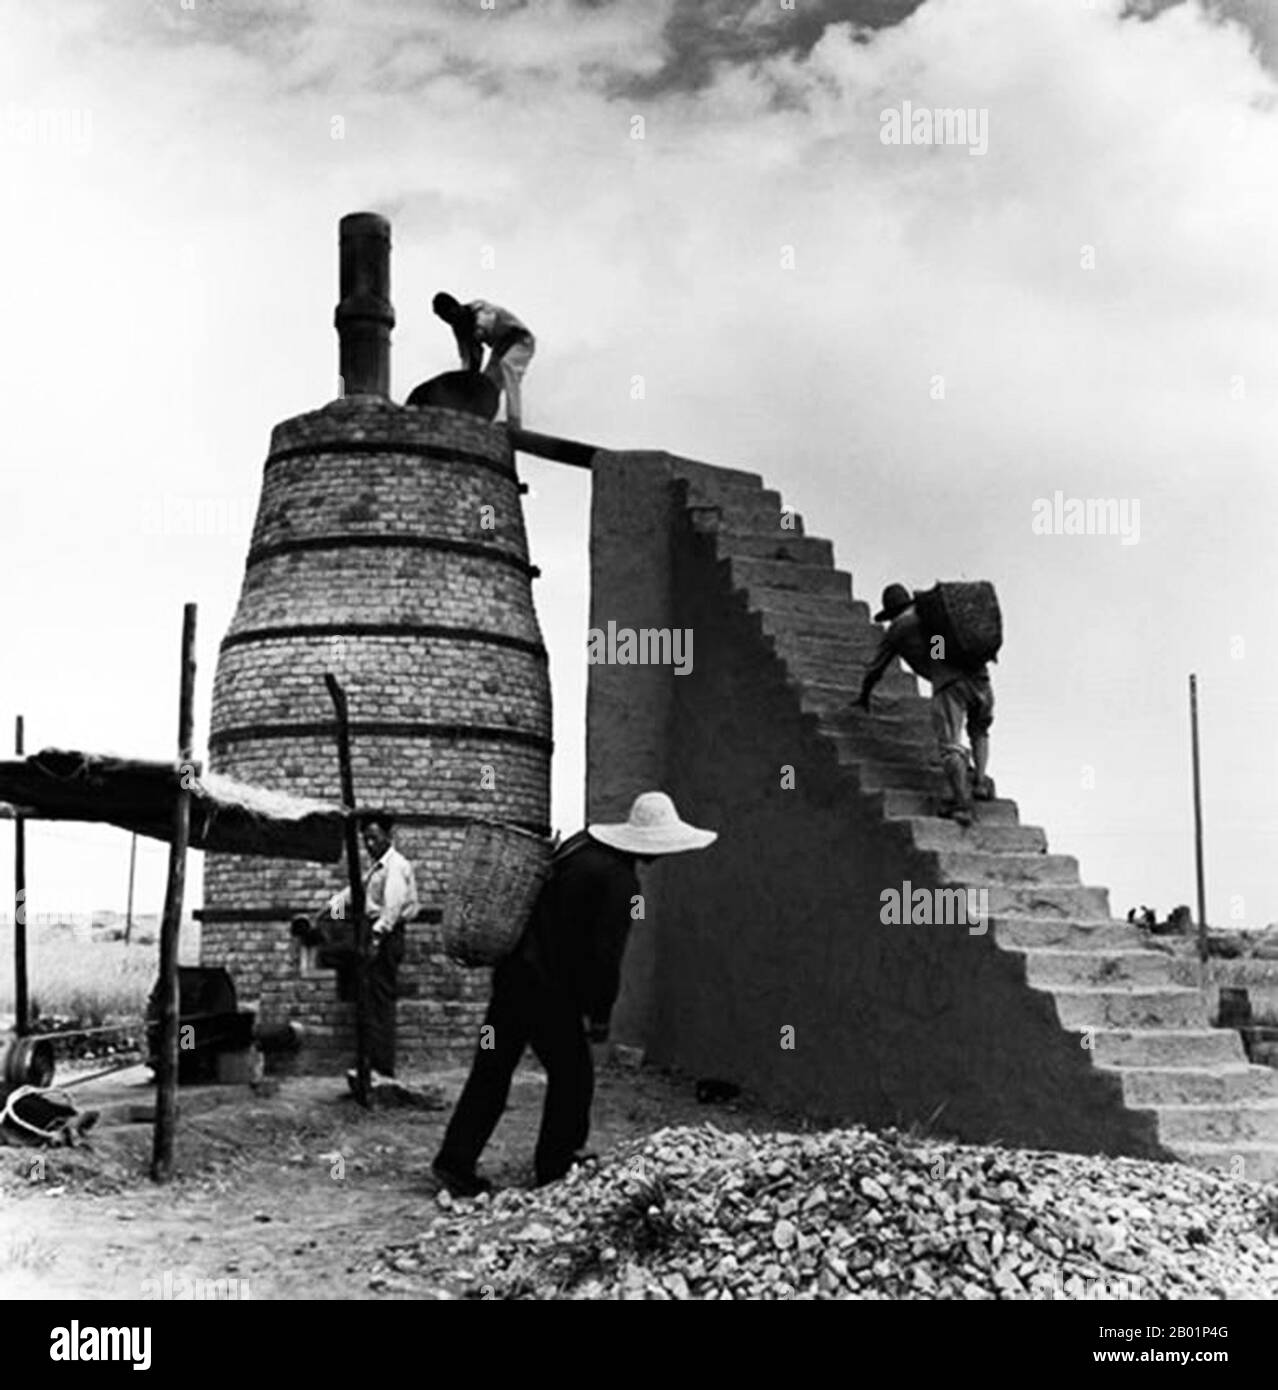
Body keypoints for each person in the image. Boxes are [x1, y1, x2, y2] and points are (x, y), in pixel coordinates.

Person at [432, 791, 717, 1196]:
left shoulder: (578, 848)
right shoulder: (622, 881)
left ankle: (454, 1161)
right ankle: (556, 1165)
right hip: (550, 994)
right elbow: (605, 956)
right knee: (574, 1077)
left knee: (491, 1070)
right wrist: (600, 1013)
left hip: (513, 977)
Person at [854, 583, 994, 827]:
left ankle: (962, 805)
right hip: (980, 678)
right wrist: (939, 652)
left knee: (950, 746)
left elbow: (876, 668)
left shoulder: (900, 627)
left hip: (951, 684)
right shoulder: (934, 617)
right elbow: (938, 642)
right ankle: (980, 782)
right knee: (979, 730)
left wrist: (864, 695)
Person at [294, 812, 419, 1088]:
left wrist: (376, 937)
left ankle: (383, 1069)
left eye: (374, 837)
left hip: (385, 935)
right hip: (374, 932)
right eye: (366, 839)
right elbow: (350, 894)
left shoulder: (396, 866)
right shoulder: (375, 869)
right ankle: (371, 1064)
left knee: (380, 1002)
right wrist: (327, 912)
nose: (370, 844)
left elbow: (393, 908)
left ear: (389, 836)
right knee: (370, 1001)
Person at [431, 291, 535, 429]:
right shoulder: (459, 328)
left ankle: (514, 421)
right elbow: (467, 359)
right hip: (500, 346)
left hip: (520, 339)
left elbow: (485, 325)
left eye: (448, 315)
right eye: (444, 318)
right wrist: (466, 383)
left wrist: (476, 336)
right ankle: (480, 423)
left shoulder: (479, 309)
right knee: (487, 384)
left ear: (455, 307)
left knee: (508, 367)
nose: (448, 320)